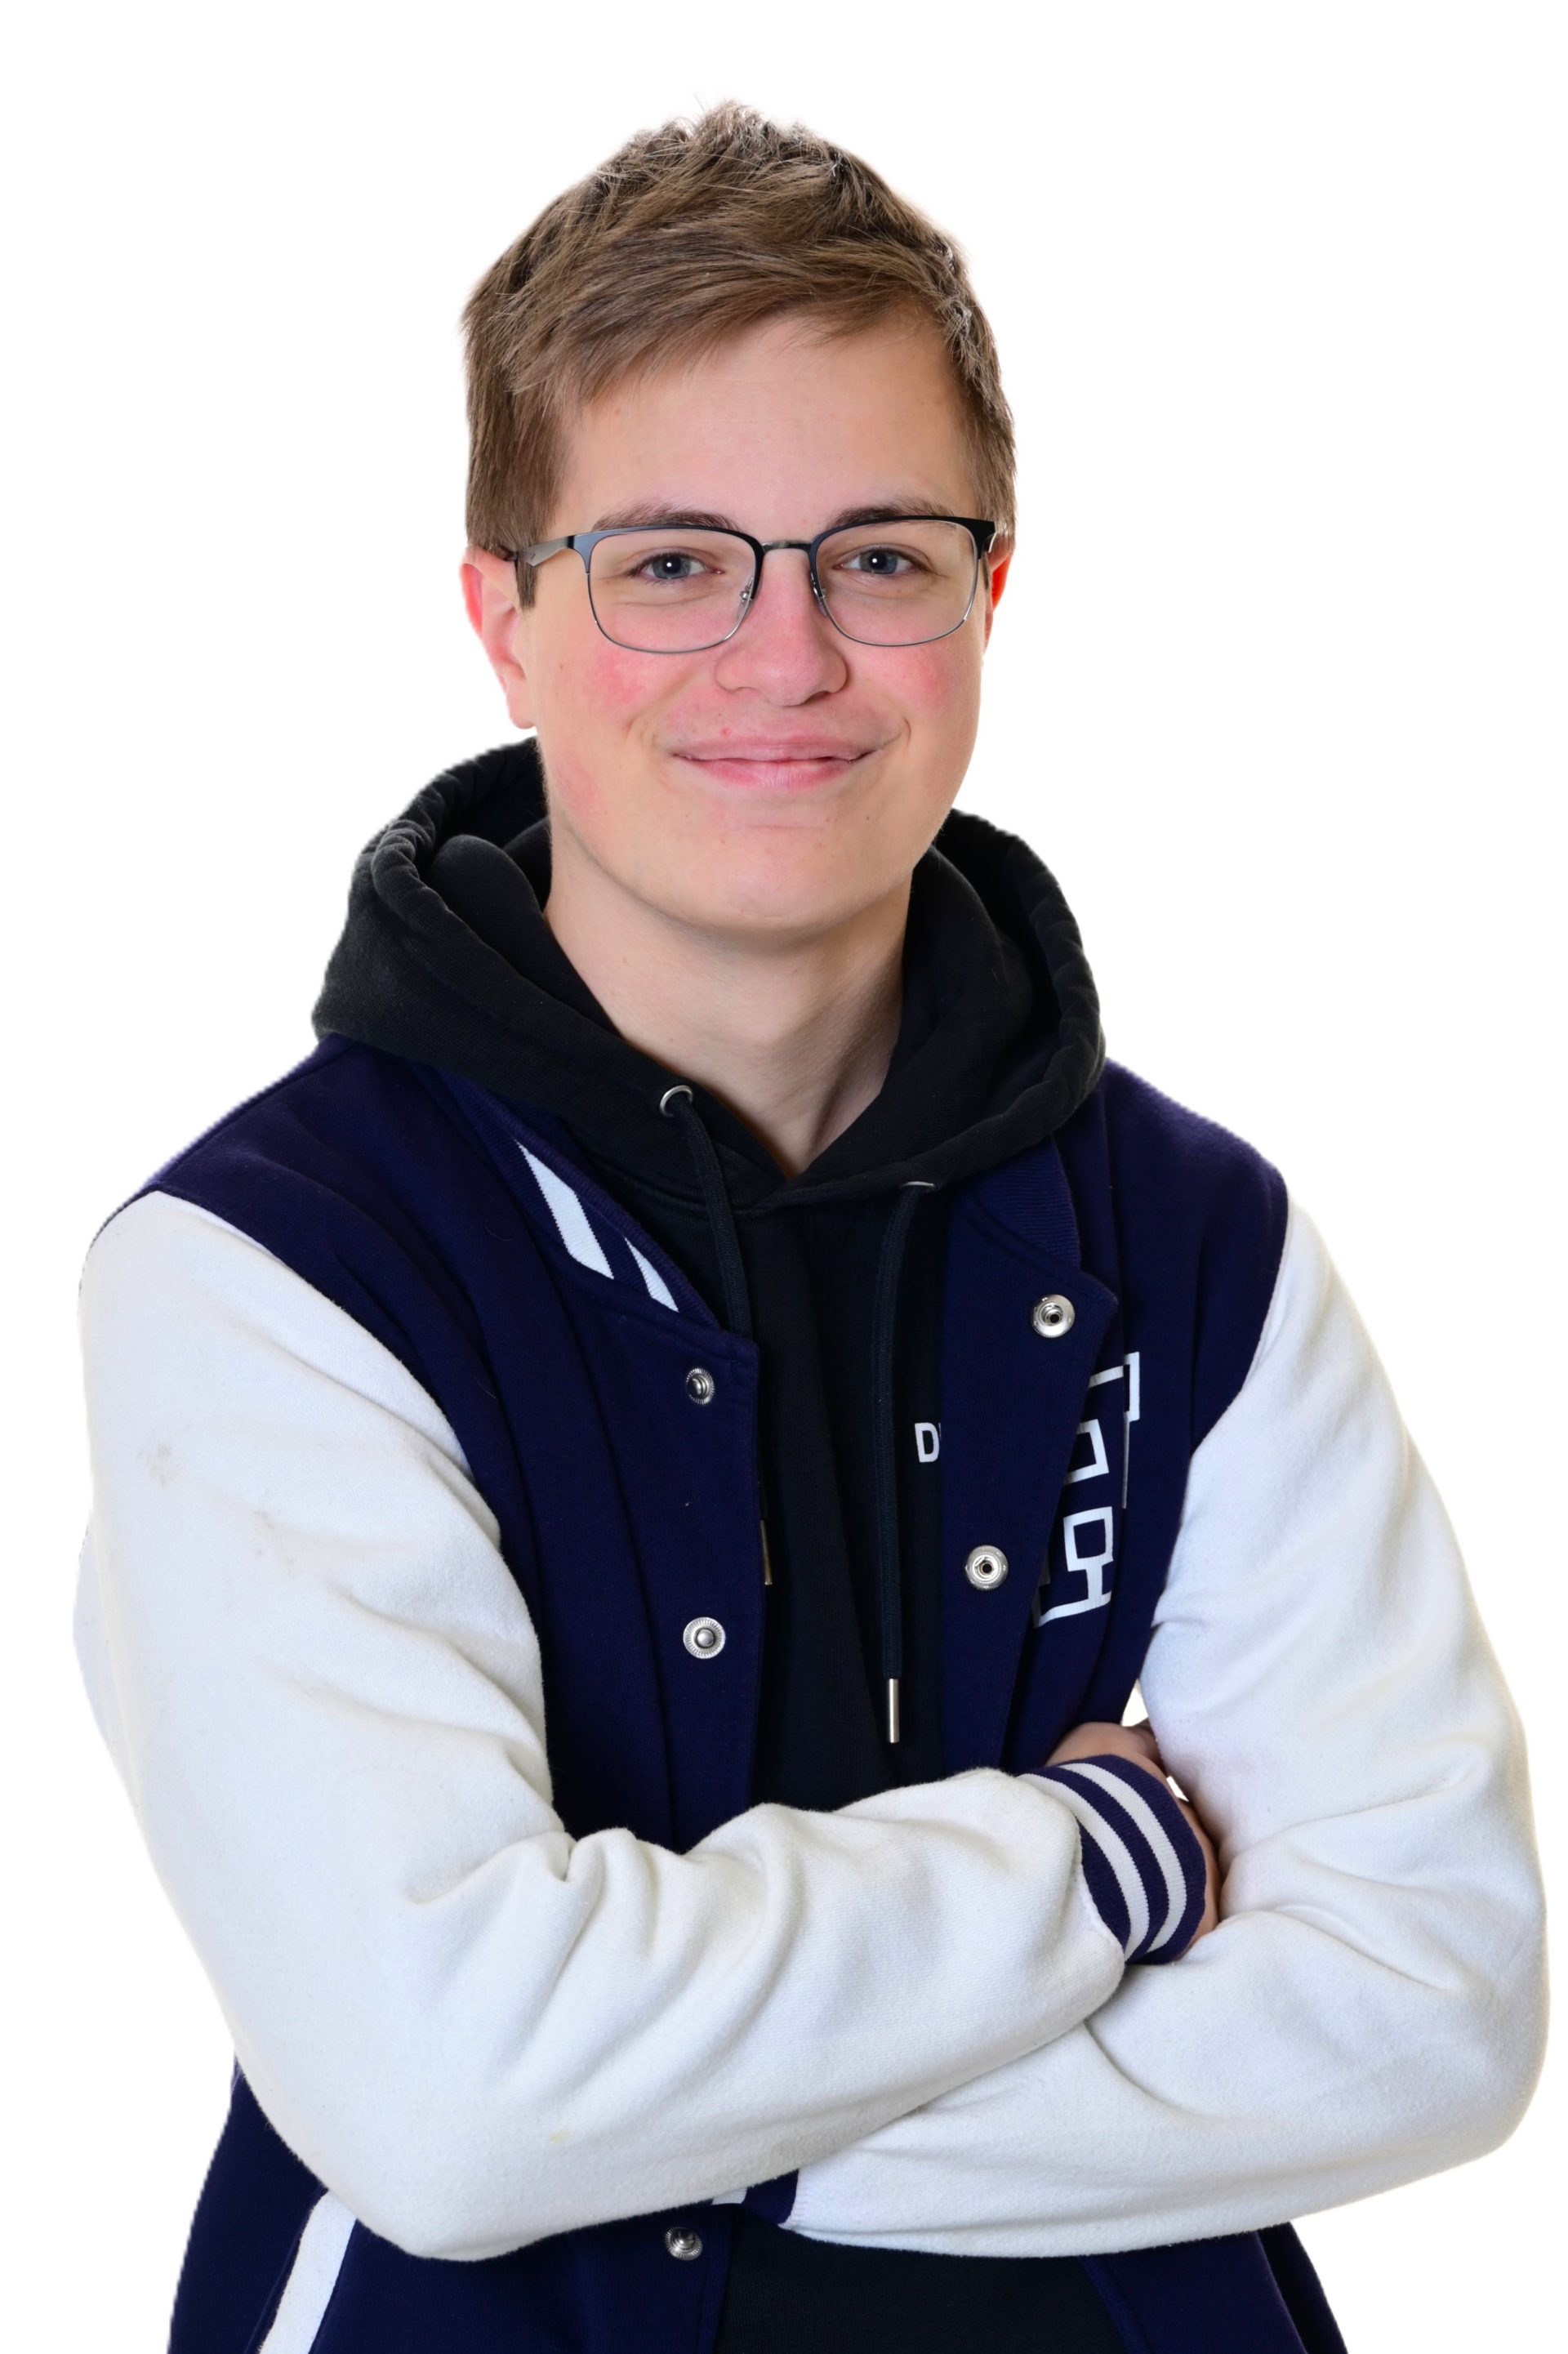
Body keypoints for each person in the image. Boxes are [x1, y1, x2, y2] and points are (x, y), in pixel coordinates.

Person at [74, 101, 1545, 2354]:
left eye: (878, 555)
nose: (786, 656)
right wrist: (1099, 1864)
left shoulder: (1197, 1245)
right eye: (672, 562)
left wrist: (658, 2100)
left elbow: (1433, 1994)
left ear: (988, 596)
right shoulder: (271, 1275)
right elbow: (446, 2101)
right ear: (503, 621)